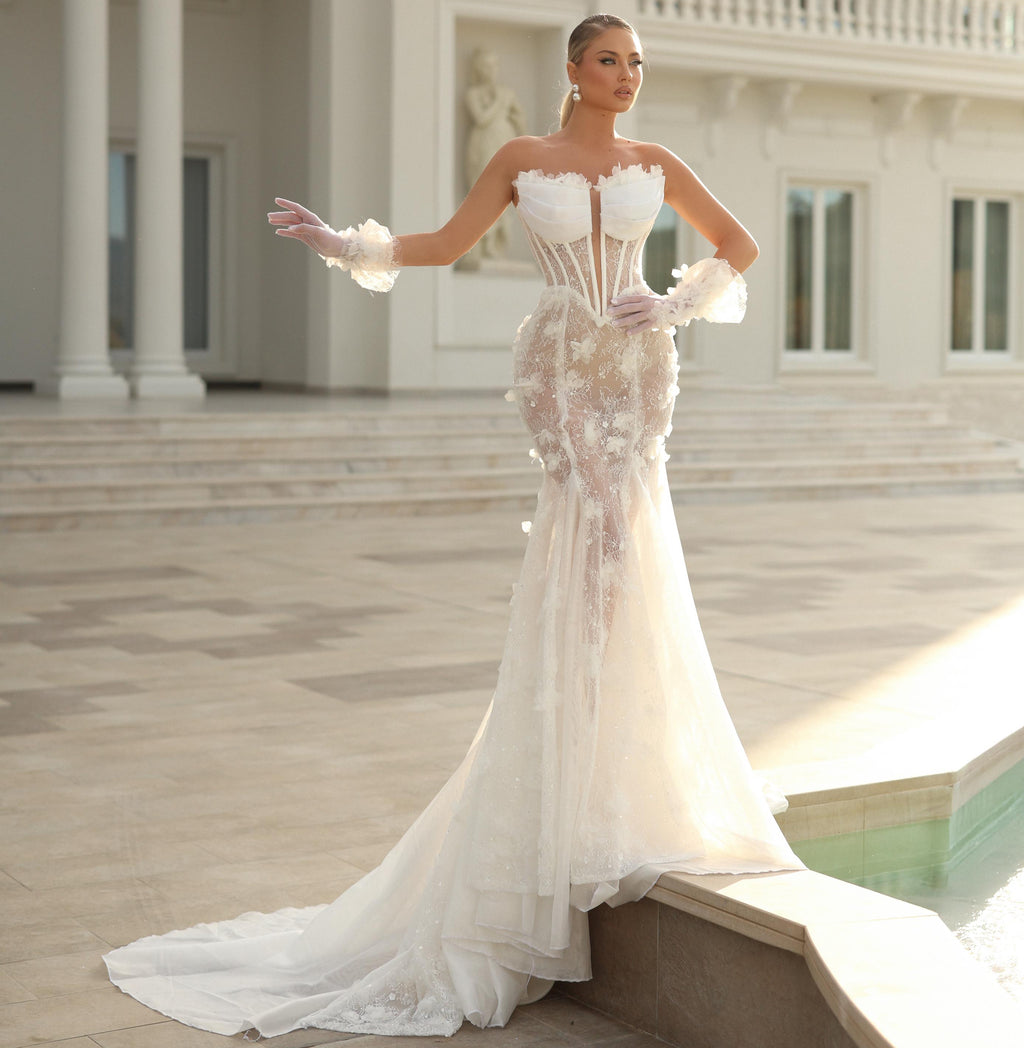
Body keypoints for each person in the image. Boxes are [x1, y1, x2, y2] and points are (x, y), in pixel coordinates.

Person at [104, 13, 803, 1040]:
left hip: (635, 373)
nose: (626, 75)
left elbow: (737, 243)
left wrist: (675, 301)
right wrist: (342, 242)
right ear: (571, 69)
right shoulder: (524, 157)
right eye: (609, 60)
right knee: (595, 540)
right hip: (564, 368)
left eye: (636, 62)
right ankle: (569, 769)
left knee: (633, 552)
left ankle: (615, 771)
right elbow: (442, 242)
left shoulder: (658, 157)